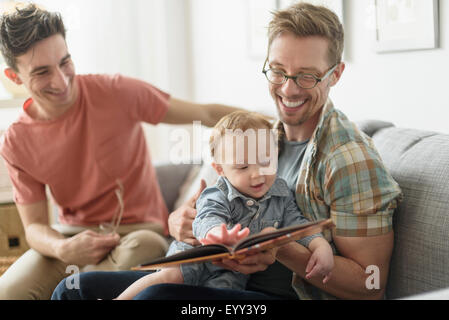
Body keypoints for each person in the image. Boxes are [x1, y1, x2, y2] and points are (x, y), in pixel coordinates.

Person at [52, 2, 402, 300]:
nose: (288, 89)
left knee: (154, 296)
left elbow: (370, 285)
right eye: (278, 71)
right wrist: (181, 224)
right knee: (73, 287)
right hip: (206, 275)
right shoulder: (261, 135)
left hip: (275, 297)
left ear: (335, 74)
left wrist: (279, 249)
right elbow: (198, 205)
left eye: (307, 76)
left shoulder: (348, 160)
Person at [0, 3, 240, 300]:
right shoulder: (16, 140)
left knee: (143, 250)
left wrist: (273, 125)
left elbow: (204, 113)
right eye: (42, 72)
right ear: (14, 77)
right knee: (9, 290)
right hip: (73, 237)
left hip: (139, 232)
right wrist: (63, 248)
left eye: (65, 62)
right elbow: (34, 227)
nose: (61, 81)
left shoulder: (116, 92)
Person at [114, 111, 334, 300]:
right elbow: (207, 217)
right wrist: (218, 234)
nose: (257, 173)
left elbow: (297, 224)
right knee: (171, 278)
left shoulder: (281, 193)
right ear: (220, 170)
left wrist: (318, 245)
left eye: (266, 162)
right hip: (195, 255)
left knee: (222, 293)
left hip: (231, 272)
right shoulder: (218, 192)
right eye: (242, 166)